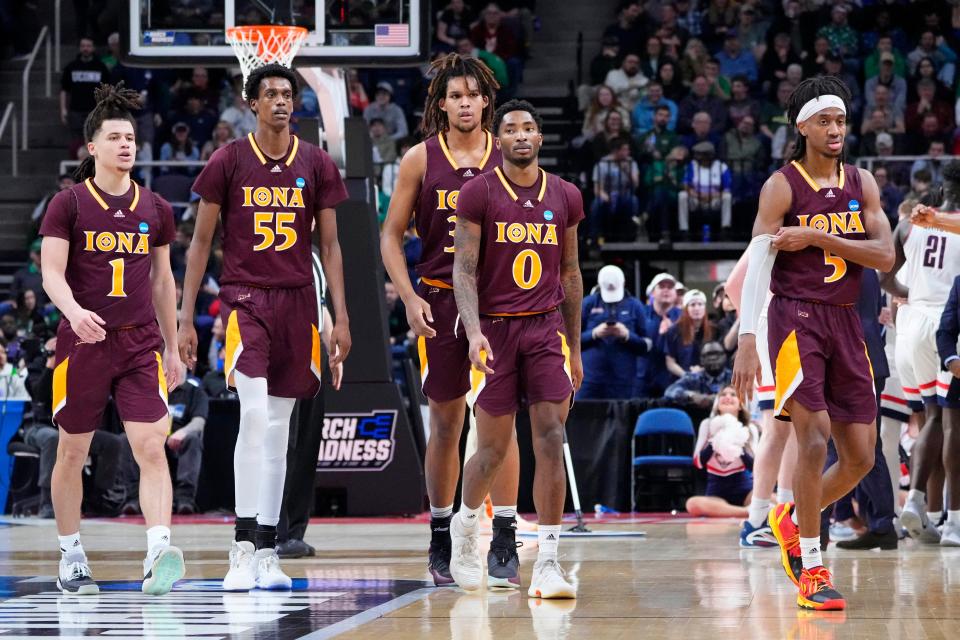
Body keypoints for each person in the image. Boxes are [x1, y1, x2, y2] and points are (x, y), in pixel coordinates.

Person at [179, 63, 351, 591]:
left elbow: (330, 247)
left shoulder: (317, 163)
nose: (280, 101)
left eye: (287, 93)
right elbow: (201, 244)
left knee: (280, 432)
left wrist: (341, 316)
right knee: (254, 417)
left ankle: (268, 549)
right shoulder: (228, 161)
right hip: (245, 302)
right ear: (251, 103)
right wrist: (186, 317)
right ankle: (242, 546)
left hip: (299, 304)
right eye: (270, 93)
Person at [733, 76, 895, 610]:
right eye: (824, 121)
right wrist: (748, 339)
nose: (835, 130)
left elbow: (884, 256)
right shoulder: (782, 185)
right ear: (801, 126)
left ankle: (787, 516)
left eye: (841, 121)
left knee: (860, 458)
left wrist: (820, 237)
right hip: (795, 316)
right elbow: (759, 261)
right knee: (813, 434)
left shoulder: (862, 182)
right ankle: (812, 564)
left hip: (847, 320)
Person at [380, 53, 521, 589]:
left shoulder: (507, 154)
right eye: (454, 95)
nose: (465, 103)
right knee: (445, 423)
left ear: (487, 100)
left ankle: (503, 531)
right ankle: (440, 531)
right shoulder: (420, 158)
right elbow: (390, 235)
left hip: (501, 304)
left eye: (473, 94)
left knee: (498, 421)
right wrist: (408, 294)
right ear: (442, 104)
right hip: (439, 301)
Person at [40, 84, 185, 596]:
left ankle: (157, 552)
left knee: (151, 445)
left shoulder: (156, 208)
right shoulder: (69, 203)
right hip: (83, 343)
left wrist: (172, 345)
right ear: (92, 147)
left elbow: (164, 282)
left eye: (130, 137)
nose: (126, 145)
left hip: (139, 341)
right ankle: (71, 553)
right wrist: (74, 312)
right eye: (115, 137)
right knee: (72, 453)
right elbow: (51, 274)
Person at [450, 99, 583, 599]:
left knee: (551, 437)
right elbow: (463, 269)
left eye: (530, 127)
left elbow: (570, 273)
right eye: (511, 129)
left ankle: (548, 561)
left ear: (540, 137)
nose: (521, 135)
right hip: (496, 333)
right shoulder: (477, 192)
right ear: (497, 140)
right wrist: (474, 329)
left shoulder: (565, 195)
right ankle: (464, 530)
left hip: (546, 330)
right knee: (492, 450)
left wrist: (574, 347)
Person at [879, 163, 960, 544]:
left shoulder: (911, 223)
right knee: (951, 422)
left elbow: (885, 275)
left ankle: (922, 508)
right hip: (948, 323)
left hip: (912, 323)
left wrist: (909, 294)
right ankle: (953, 521)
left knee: (931, 417)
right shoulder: (953, 225)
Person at [276, 249, 343, 558]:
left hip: (314, 351)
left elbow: (322, 307)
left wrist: (333, 351)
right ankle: (273, 529)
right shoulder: (278, 250)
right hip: (284, 346)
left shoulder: (314, 256)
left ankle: (294, 532)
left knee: (306, 444)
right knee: (281, 443)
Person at [578, 265, 651, 400]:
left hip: (623, 381)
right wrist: (594, 333)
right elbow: (570, 342)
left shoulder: (635, 306)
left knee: (622, 419)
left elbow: (647, 345)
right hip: (590, 380)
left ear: (623, 283)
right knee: (583, 416)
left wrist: (627, 335)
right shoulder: (588, 304)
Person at [685, 385, 755, 517]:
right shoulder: (707, 424)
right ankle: (747, 512)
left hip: (746, 491)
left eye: (733, 394)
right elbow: (698, 463)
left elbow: (755, 467)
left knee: (774, 499)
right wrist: (715, 440)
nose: (727, 397)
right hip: (716, 492)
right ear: (717, 405)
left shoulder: (750, 428)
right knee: (692, 504)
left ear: (740, 405)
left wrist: (739, 441)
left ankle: (729, 511)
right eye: (723, 394)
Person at [664, 341, 732, 412]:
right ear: (701, 360)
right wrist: (691, 396)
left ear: (725, 357)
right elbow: (670, 391)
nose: (713, 358)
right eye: (708, 355)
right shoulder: (694, 378)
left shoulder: (734, 378)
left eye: (717, 354)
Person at [664, 289, 715, 379]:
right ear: (686, 309)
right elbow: (670, 362)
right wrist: (686, 375)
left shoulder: (713, 329)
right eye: (692, 305)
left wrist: (703, 370)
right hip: (681, 379)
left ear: (705, 308)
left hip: (708, 378)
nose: (697, 308)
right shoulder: (674, 331)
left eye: (700, 304)